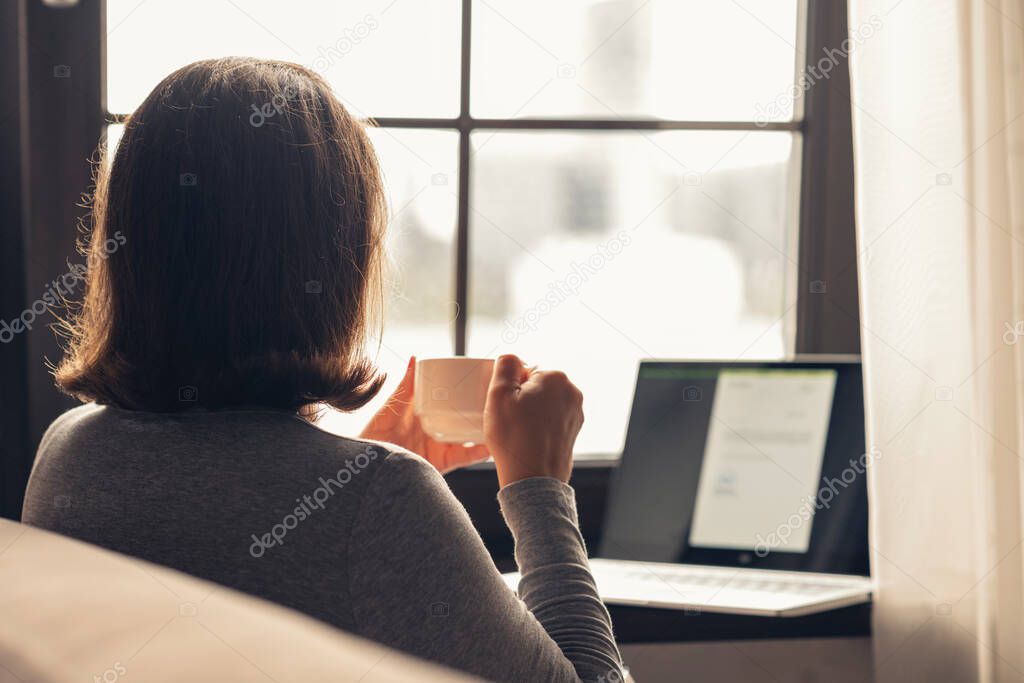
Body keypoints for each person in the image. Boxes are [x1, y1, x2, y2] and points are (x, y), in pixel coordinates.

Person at [21, 57, 622, 683]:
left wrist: (355, 473)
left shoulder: (69, 451)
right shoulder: (386, 499)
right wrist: (538, 486)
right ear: (337, 263)